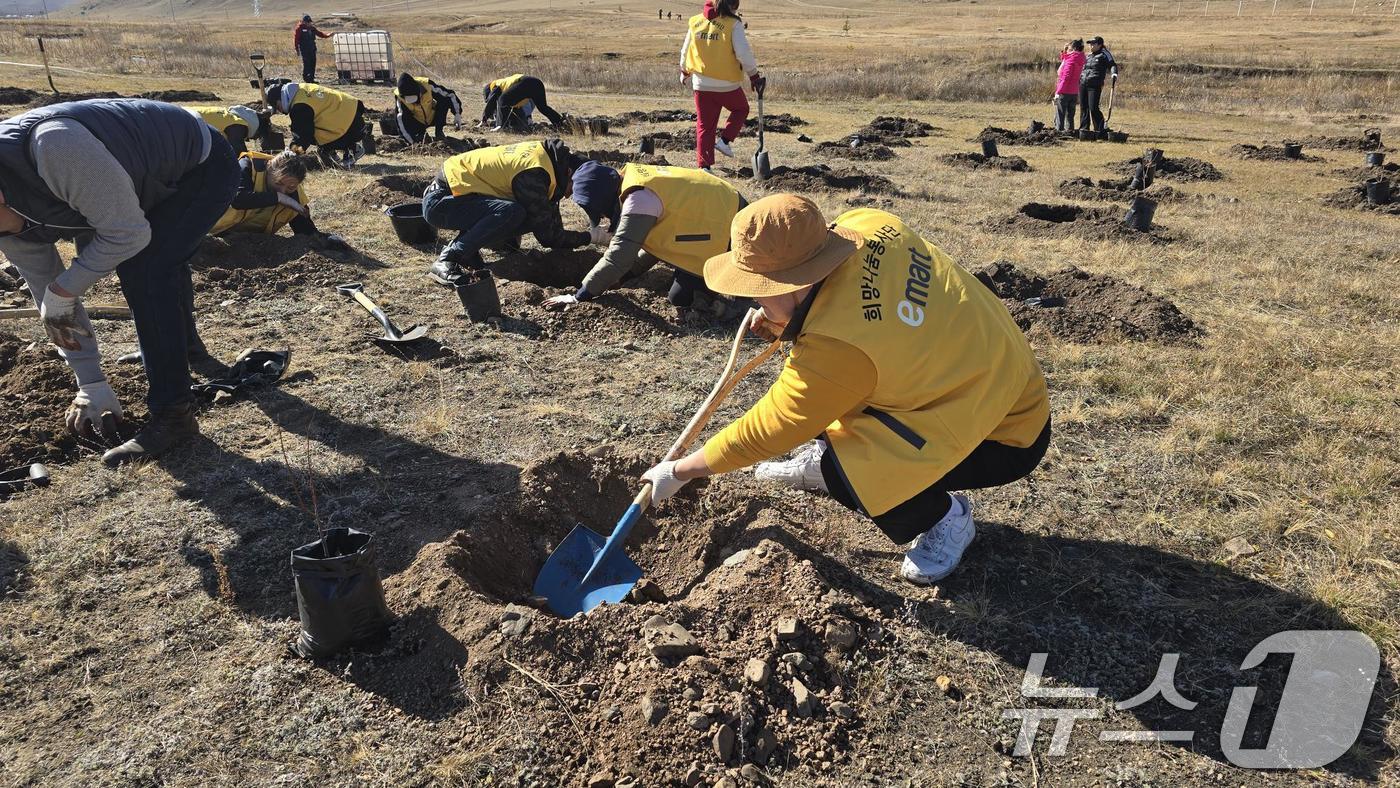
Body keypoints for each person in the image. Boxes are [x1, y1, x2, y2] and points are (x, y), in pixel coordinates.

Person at [639, 195, 1051, 585]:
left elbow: (771, 427)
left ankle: (944, 517)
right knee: (830, 397)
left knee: (848, 475)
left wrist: (679, 471)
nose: (749, 297)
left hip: (1004, 431)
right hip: (991, 372)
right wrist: (783, 318)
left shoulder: (839, 347)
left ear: (794, 281)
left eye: (758, 288)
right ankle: (830, 455)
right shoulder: (868, 224)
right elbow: (863, 327)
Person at [0, 98, 239, 465]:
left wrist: (65, 289)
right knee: (155, 263)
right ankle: (185, 350)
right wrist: (89, 383)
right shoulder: (6, 223)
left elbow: (126, 233)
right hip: (131, 180)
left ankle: (174, 415)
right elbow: (50, 298)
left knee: (146, 268)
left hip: (198, 165)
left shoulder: (55, 149)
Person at [548, 162, 743, 311]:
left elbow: (619, 256)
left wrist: (579, 296)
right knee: (680, 294)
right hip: (719, 211)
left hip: (730, 227)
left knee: (681, 299)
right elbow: (657, 241)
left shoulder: (639, 200)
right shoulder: (632, 180)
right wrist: (625, 277)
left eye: (601, 212)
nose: (603, 217)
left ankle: (729, 294)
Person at [421, 139, 609, 286]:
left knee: (523, 213)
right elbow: (548, 236)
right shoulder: (535, 174)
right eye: (574, 188)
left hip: (459, 199)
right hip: (441, 203)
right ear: (569, 173)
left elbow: (551, 223)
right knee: (513, 212)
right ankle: (448, 259)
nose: (570, 196)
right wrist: (592, 237)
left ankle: (471, 251)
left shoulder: (549, 163)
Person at [680, 0, 763, 171]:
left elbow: (686, 49)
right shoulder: (733, 24)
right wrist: (754, 76)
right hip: (727, 84)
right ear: (733, 5)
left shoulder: (695, 21)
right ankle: (724, 141)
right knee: (741, 109)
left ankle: (704, 166)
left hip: (701, 84)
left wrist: (684, 71)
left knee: (704, 126)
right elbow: (743, 53)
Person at [210, 150, 345, 250]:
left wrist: (327, 241)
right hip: (214, 233)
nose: (283, 191)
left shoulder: (294, 194)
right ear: (269, 168)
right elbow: (238, 199)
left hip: (251, 244)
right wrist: (279, 198)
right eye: (278, 183)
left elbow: (305, 230)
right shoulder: (247, 167)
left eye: (290, 187)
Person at [265, 82, 366, 169]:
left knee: (309, 132)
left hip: (350, 126)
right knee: (312, 128)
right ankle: (328, 151)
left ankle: (353, 149)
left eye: (277, 106)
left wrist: (290, 155)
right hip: (352, 113)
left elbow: (302, 137)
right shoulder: (300, 90)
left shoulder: (299, 107)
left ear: (281, 98)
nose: (280, 111)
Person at [394, 73, 463, 144]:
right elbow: (401, 122)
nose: (415, 103)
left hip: (432, 116)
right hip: (417, 121)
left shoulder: (428, 85)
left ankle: (439, 132)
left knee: (444, 102)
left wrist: (457, 113)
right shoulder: (400, 99)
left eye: (415, 99)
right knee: (404, 117)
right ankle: (421, 134)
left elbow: (449, 95)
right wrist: (413, 144)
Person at [479, 74, 564, 132]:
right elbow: (514, 108)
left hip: (526, 82)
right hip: (537, 83)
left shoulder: (495, 85)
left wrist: (484, 120)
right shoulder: (510, 90)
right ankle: (561, 123)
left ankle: (500, 126)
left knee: (502, 99)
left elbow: (492, 101)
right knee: (543, 108)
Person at [186, 105, 265, 155]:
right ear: (255, 127)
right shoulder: (237, 125)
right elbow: (240, 154)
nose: (254, 138)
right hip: (186, 124)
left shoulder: (228, 116)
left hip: (185, 114)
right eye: (257, 134)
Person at [1079, 36, 1118, 133]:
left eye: (1093, 43)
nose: (1090, 45)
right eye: (1090, 44)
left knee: (1093, 108)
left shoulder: (1104, 54)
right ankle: (1084, 129)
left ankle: (1100, 129)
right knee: (1084, 107)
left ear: (1099, 44)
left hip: (1095, 84)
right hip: (1083, 83)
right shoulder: (1088, 55)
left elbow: (1112, 64)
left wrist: (1114, 74)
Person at [1054, 40, 1085, 133]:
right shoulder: (1080, 58)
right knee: (1070, 115)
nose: (1068, 49)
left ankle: (1059, 132)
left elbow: (1065, 77)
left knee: (1060, 114)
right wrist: (1064, 52)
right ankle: (1070, 132)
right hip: (1074, 91)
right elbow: (1065, 59)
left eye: (1070, 48)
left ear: (1074, 48)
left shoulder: (1071, 61)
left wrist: (1058, 92)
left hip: (1064, 91)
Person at [293, 15, 331, 84]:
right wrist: (297, 49)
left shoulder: (312, 28)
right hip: (304, 50)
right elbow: (296, 40)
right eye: (307, 22)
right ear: (303, 22)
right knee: (306, 64)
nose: (309, 23)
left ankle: (311, 79)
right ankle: (306, 78)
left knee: (313, 64)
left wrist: (328, 35)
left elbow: (320, 34)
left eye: (309, 22)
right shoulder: (299, 29)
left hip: (312, 49)